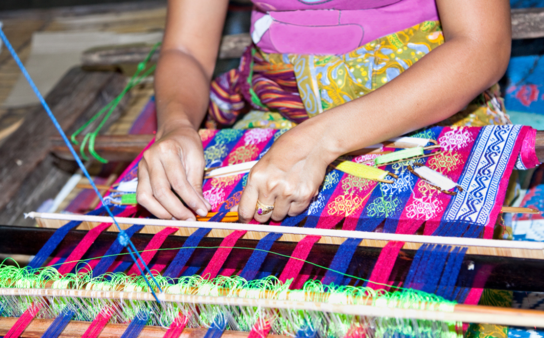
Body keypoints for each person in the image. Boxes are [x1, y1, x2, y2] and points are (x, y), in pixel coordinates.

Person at [136, 0, 512, 224]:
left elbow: (480, 48)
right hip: (281, 104)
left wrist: (321, 139)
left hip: (425, 104)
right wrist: (176, 124)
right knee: (223, 262)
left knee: (428, 257)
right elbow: (185, 50)